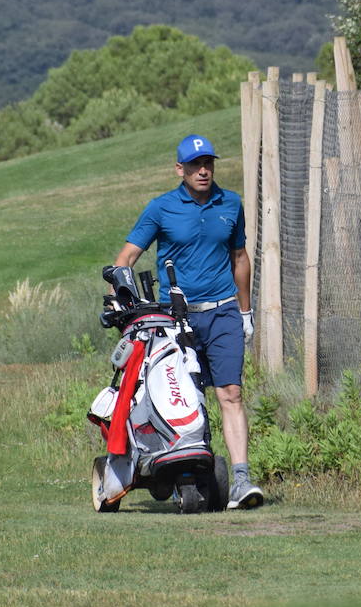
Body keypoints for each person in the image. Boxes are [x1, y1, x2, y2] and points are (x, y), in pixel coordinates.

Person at [114, 134, 265, 509]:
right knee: (187, 397)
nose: (203, 170)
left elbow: (240, 259)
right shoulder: (161, 208)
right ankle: (193, 468)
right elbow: (126, 258)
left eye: (209, 163)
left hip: (223, 311)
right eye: (195, 165)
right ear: (179, 169)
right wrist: (124, 298)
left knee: (230, 394)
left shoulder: (230, 203)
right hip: (175, 320)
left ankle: (241, 480)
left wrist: (246, 312)